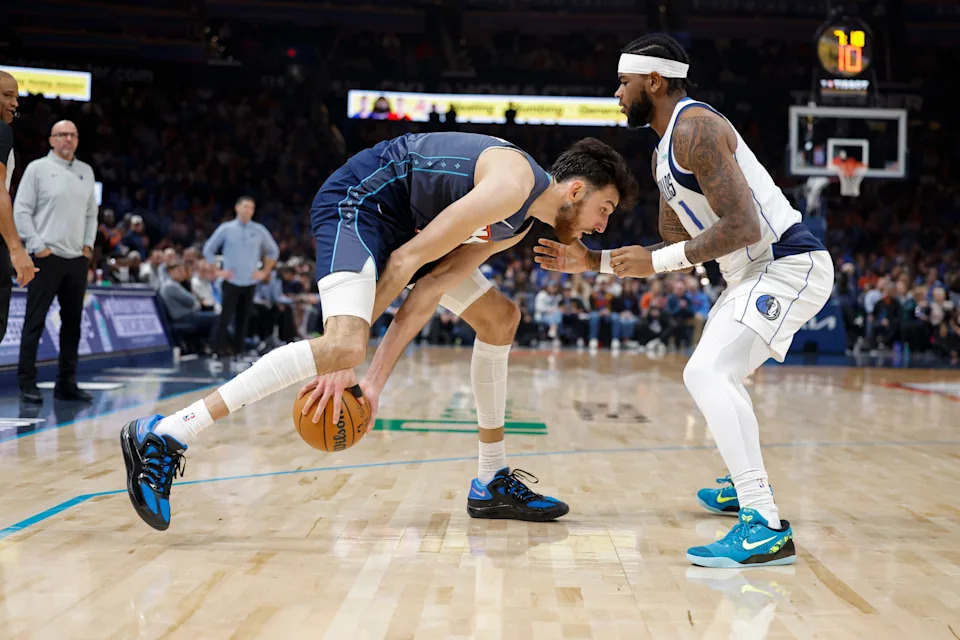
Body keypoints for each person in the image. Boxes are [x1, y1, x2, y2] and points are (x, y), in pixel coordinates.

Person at [120, 131, 637, 531]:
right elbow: (409, 260)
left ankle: (491, 478)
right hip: (360, 204)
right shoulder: (511, 185)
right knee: (343, 342)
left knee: (501, 318)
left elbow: (430, 287)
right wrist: (344, 358)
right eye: (604, 208)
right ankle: (167, 432)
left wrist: (372, 385)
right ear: (575, 189)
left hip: (403, 233)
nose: (602, 224)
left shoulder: (518, 223)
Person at [535, 34, 833, 568]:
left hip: (786, 264)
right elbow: (672, 251)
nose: (618, 93)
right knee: (718, 373)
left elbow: (741, 226)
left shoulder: (695, 127)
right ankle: (746, 489)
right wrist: (593, 262)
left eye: (624, 83)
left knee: (706, 373)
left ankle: (762, 522)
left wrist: (657, 261)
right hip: (748, 276)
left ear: (654, 81)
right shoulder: (661, 155)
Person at [14, 120, 98, 404]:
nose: (68, 139)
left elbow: (91, 214)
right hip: (46, 258)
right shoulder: (38, 169)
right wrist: (38, 246)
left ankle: (67, 382)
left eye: (73, 135)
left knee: (72, 324)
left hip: (76, 259)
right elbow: (21, 210)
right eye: (62, 135)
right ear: (51, 140)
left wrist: (88, 245)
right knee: (34, 321)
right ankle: (27, 382)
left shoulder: (86, 171)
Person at [203, 196, 279, 358]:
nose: (248, 210)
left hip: (250, 280)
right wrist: (217, 271)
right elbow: (208, 249)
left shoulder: (259, 230)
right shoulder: (226, 228)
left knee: (243, 318)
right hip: (231, 280)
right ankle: (216, 350)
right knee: (225, 316)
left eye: (251, 208)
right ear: (237, 208)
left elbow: (273, 251)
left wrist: (265, 272)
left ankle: (239, 352)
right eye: (245, 206)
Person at [0, 70, 38, 344]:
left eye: (16, 97)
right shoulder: (1, 131)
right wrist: (15, 247)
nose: (14, 103)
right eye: (7, 96)